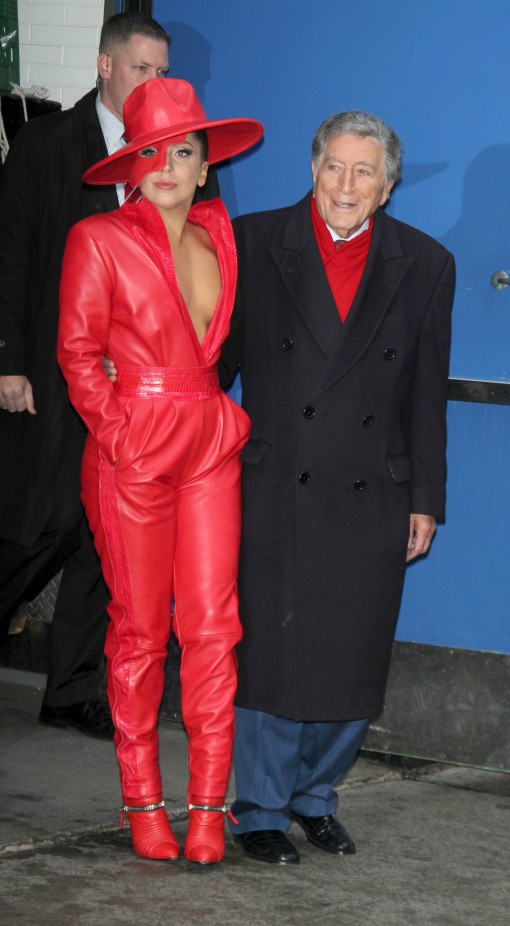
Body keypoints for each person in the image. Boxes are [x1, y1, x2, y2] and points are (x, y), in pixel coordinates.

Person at [218, 110, 455, 865]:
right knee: (273, 652)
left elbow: (426, 393)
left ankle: (314, 796)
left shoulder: (427, 263)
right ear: (312, 170)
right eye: (334, 167)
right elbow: (213, 364)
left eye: (364, 172)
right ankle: (259, 808)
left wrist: (426, 498)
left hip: (372, 489)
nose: (346, 185)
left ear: (387, 187)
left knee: (352, 653)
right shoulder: (254, 242)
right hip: (276, 481)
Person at [57, 77, 263, 864]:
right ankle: (142, 801)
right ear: (129, 164)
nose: (167, 167)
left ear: (206, 165)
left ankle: (207, 809)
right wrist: (119, 437)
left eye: (182, 152)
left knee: (213, 628)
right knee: (140, 629)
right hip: (134, 447)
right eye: (151, 153)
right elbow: (77, 356)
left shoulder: (221, 240)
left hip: (209, 441)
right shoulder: (98, 239)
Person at [0, 12, 217, 736]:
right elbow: (11, 254)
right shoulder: (47, 144)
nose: (153, 81)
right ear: (104, 66)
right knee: (42, 525)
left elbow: (208, 270)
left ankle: (71, 690)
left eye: (164, 71)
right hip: (55, 378)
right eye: (141, 68)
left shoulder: (184, 155)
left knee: (107, 545)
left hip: (143, 398)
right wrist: (7, 361)